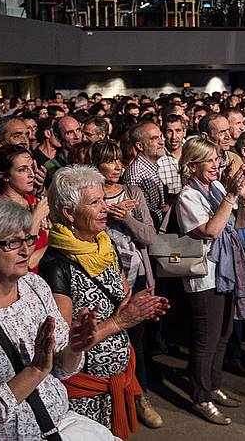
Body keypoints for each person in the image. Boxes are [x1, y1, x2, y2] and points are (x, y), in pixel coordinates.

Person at [0, 197, 114, 440]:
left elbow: (61, 369)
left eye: (28, 239)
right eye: (12, 243)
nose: (26, 250)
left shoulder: (34, 286)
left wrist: (74, 347)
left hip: (59, 426)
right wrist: (35, 371)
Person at [39, 165, 169, 439]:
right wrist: (120, 321)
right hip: (83, 394)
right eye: (94, 202)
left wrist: (139, 307)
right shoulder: (55, 264)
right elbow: (64, 347)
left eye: (103, 200)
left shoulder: (104, 243)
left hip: (116, 383)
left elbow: (121, 298)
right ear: (69, 214)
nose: (104, 208)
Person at [174, 138, 245, 425]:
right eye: (209, 160)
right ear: (192, 165)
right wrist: (231, 198)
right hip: (204, 275)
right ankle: (200, 396)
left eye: (216, 159)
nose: (216, 164)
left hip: (226, 269)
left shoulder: (219, 188)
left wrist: (244, 200)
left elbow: (240, 224)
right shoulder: (187, 197)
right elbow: (210, 230)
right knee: (206, 340)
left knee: (224, 333)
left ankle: (213, 385)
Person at [89, 140, 163, 428]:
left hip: (136, 275)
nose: (118, 166)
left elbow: (149, 237)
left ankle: (139, 396)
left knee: (136, 341)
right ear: (96, 164)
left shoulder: (134, 192)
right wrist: (107, 215)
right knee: (106, 339)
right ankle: (109, 398)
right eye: (110, 160)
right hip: (101, 276)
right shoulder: (90, 195)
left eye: (121, 159)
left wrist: (128, 218)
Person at [0, 145, 50, 272]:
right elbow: (22, 255)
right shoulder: (0, 209)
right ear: (5, 176)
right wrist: (36, 218)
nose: (31, 174)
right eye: (22, 170)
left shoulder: (32, 200)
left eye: (31, 168)